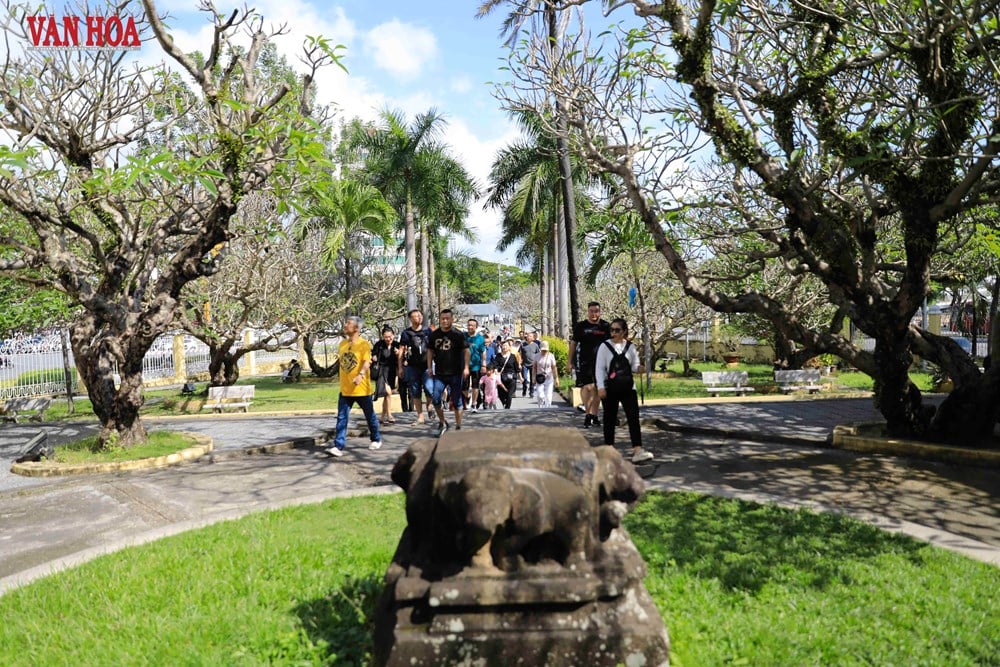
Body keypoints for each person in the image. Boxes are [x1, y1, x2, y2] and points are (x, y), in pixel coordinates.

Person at [595, 317, 652, 463]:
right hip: (610, 388)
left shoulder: (631, 347)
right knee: (609, 419)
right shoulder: (604, 347)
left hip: (628, 388)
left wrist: (639, 368)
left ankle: (638, 450)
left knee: (633, 419)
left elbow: (634, 365)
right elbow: (600, 368)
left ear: (624, 332)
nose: (613, 333)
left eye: (617, 330)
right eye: (612, 330)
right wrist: (600, 387)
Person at [326, 316, 382, 457]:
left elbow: (366, 362)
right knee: (342, 417)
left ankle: (376, 439)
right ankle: (338, 446)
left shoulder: (364, 344)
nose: (345, 325)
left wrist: (361, 374)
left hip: (361, 389)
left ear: (356, 328)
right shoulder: (342, 344)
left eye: (348, 323)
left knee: (370, 416)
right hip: (345, 390)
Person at [426, 308, 470, 435]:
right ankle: (442, 421)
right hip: (439, 373)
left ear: (452, 319)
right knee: (435, 399)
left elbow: (466, 351)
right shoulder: (434, 335)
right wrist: (429, 367)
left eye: (447, 318)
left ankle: (458, 425)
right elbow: (429, 350)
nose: (445, 321)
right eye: (442, 319)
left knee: (457, 401)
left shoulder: (458, 334)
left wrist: (466, 367)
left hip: (456, 372)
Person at [569, 301, 611, 429]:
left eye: (596, 311)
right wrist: (569, 362)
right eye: (592, 311)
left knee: (598, 389)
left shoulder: (605, 326)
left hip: (602, 363)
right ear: (588, 312)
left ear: (600, 312)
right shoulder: (581, 326)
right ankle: (588, 414)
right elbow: (573, 344)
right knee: (587, 388)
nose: (594, 314)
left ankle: (594, 415)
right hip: (584, 362)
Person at [398, 309, 432, 425]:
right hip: (413, 366)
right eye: (416, 316)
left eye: (420, 315)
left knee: (429, 388)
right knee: (415, 391)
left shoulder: (428, 331)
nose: (419, 317)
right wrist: (401, 367)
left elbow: (432, 348)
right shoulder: (406, 333)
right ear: (411, 319)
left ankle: (429, 405)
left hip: (426, 366)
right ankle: (420, 416)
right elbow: (401, 351)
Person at [371, 326, 400, 425]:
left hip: (392, 371)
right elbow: (373, 354)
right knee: (388, 393)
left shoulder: (397, 345)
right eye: (386, 337)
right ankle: (389, 415)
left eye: (390, 336)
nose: (388, 339)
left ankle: (382, 417)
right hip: (381, 371)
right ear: (383, 337)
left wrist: (399, 354)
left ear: (393, 335)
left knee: (387, 395)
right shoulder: (379, 345)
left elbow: (402, 357)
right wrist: (374, 357)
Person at [464, 318, 487, 413]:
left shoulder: (480, 338)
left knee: (475, 385)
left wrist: (484, 364)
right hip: (464, 365)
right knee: (464, 387)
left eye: (472, 325)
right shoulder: (463, 336)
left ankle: (474, 404)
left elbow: (483, 351)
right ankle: (467, 397)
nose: (470, 327)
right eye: (468, 325)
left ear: (476, 327)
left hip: (476, 365)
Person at [492, 339, 520, 409]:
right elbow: (495, 365)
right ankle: (504, 403)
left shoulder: (513, 356)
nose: (504, 347)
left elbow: (516, 367)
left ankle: (507, 408)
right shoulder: (498, 356)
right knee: (501, 394)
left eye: (506, 346)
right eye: (503, 346)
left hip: (511, 378)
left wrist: (520, 377)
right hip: (501, 377)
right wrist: (495, 371)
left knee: (509, 394)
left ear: (509, 347)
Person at [533, 340, 560, 407]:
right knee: (540, 395)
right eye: (543, 350)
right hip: (540, 378)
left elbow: (554, 367)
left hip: (549, 378)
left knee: (548, 396)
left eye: (545, 350)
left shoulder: (551, 356)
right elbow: (534, 367)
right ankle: (540, 406)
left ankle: (547, 409)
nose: (544, 351)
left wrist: (556, 378)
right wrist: (533, 377)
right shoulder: (536, 356)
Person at [519, 331, 540, 398]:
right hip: (524, 364)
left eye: (530, 336)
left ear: (533, 338)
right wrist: (519, 363)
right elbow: (520, 354)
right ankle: (524, 389)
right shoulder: (523, 344)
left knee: (532, 379)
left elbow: (538, 354)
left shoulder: (535, 345)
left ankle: (531, 392)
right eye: (528, 336)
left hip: (533, 365)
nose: (529, 337)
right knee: (524, 378)